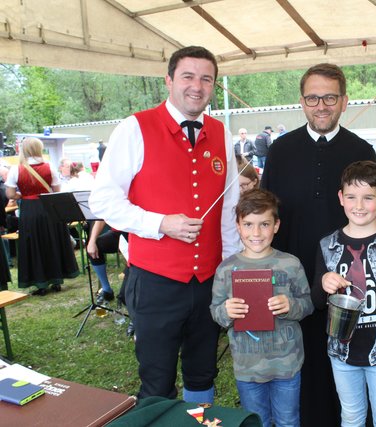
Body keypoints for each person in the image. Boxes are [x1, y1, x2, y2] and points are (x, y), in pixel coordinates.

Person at [89, 45, 241, 403]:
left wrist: (231, 270)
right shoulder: (134, 128)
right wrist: (160, 223)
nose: (197, 86)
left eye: (207, 79)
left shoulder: (221, 133)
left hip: (208, 280)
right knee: (156, 380)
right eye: (188, 76)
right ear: (169, 80)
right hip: (156, 281)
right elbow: (103, 200)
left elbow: (229, 209)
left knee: (203, 371)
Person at [261, 62, 376, 426]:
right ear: (302, 102)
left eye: (329, 97)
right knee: (304, 357)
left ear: (344, 101)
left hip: (348, 276)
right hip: (294, 277)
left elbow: (369, 215)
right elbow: (266, 212)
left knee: (348, 355)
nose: (321, 105)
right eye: (313, 97)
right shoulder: (280, 149)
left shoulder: (361, 149)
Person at [311, 161, 376, 426]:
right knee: (351, 415)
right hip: (342, 354)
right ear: (341, 198)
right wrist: (324, 282)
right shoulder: (328, 245)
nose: (359, 205)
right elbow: (316, 302)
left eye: (368, 197)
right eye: (351, 197)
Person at [210, 188, 313, 427]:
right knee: (258, 422)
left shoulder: (290, 264)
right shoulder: (226, 269)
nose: (256, 233)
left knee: (288, 420)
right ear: (237, 225)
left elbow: (308, 304)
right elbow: (215, 311)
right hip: (248, 368)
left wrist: (291, 306)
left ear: (276, 225)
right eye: (248, 225)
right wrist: (227, 311)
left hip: (287, 365)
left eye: (264, 224)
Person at [5, 137, 79, 296]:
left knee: (35, 243)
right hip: (48, 207)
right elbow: (56, 189)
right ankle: (56, 280)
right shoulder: (50, 166)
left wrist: (23, 195)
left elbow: (10, 193)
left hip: (30, 211)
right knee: (52, 241)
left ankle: (41, 284)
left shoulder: (16, 169)